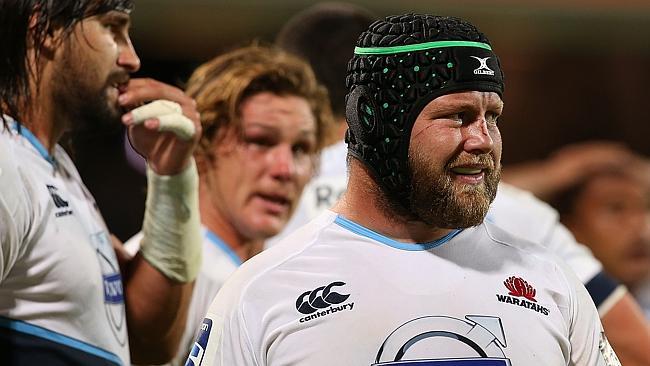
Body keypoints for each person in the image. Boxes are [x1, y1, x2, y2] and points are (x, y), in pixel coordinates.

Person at [187, 14, 619, 365]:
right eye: (458, 116)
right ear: (376, 125)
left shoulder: (552, 284)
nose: (482, 139)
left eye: (493, 117)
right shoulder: (262, 292)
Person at [0, 1, 204, 365]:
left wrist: (172, 176)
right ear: (46, 31)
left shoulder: (53, 168)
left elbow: (148, 346)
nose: (132, 59)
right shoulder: (6, 160)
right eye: (113, 28)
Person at [125, 44, 334, 365]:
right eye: (260, 141)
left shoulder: (294, 274)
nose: (285, 169)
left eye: (301, 148)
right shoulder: (156, 270)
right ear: (202, 145)